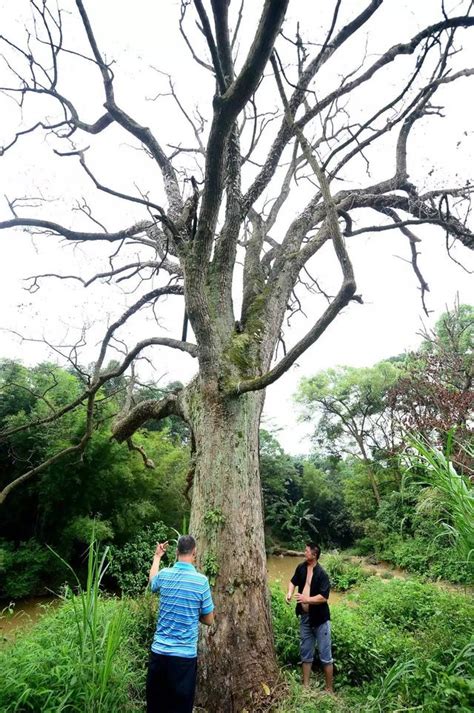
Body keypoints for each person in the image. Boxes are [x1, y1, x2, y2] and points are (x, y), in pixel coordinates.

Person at [147, 534, 215, 713]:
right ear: (194, 553)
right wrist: (193, 614)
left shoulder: (165, 575)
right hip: (184, 659)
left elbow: (152, 583)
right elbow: (209, 620)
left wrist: (157, 557)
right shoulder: (201, 582)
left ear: (177, 552)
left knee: (156, 707)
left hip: (159, 654)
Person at [286, 542, 334, 692]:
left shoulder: (322, 574)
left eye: (306, 551)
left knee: (325, 655)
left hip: (320, 620)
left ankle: (329, 689)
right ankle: (305, 687)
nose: (304, 553)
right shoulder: (301, 567)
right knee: (306, 652)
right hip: (305, 618)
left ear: (314, 555)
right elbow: (292, 582)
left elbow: (324, 597)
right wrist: (289, 593)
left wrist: (307, 600)